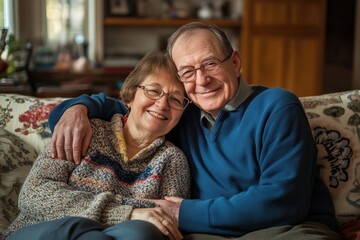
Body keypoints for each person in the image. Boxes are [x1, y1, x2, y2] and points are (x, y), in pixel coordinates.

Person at [47, 22, 341, 239]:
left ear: (235, 63)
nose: (201, 80)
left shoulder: (277, 106)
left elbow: (283, 202)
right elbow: (132, 108)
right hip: (209, 234)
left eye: (210, 64)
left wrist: (184, 212)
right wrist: (77, 109)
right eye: (187, 72)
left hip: (286, 231)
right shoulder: (179, 114)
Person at [1, 51, 191, 240]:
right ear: (131, 95)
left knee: (140, 233)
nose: (162, 103)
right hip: (45, 230)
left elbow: (166, 222)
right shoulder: (85, 131)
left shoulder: (172, 161)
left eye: (175, 99)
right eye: (153, 90)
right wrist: (126, 211)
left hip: (118, 235)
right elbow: (33, 194)